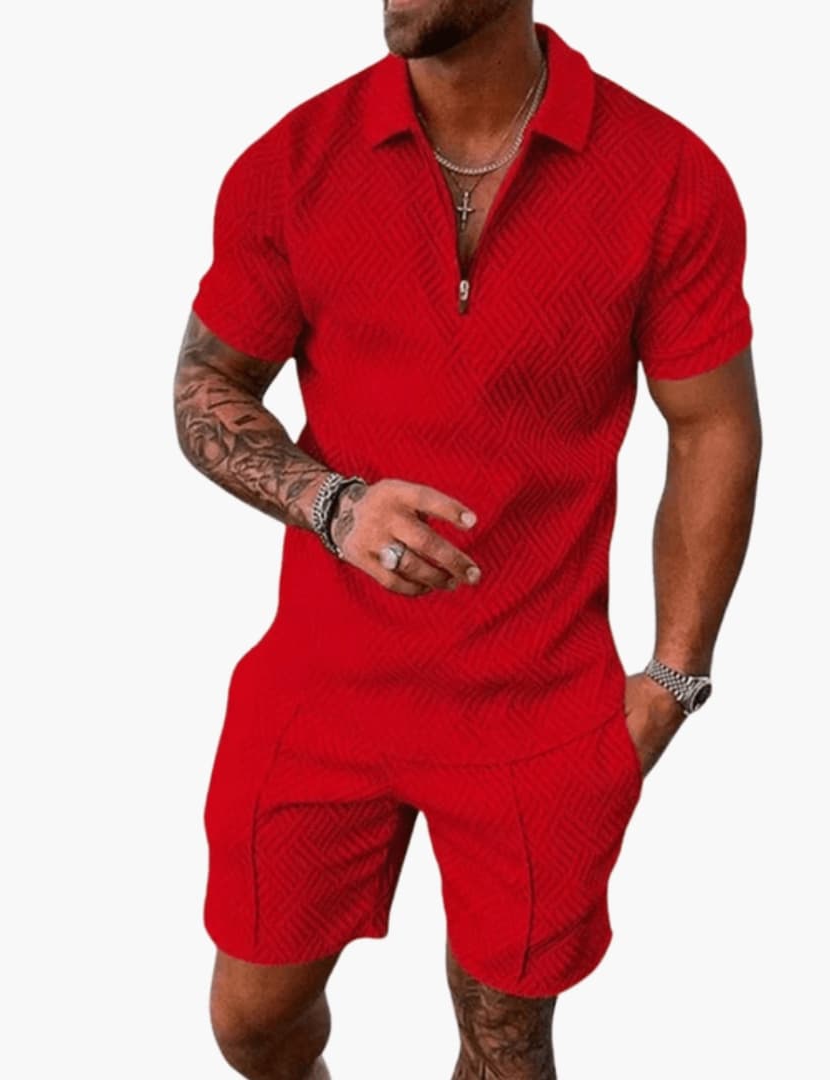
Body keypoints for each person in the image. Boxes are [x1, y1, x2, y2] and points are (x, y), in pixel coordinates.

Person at [173, 1, 762, 1076]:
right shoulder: (290, 164)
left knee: (504, 1044)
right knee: (250, 1023)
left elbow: (711, 424)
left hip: (537, 707)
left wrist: (674, 676)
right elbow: (208, 384)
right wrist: (332, 504)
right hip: (322, 686)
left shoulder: (667, 175)